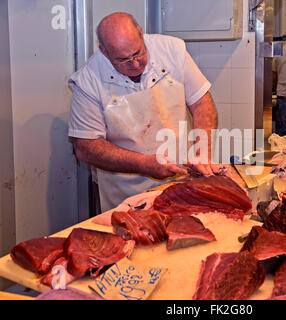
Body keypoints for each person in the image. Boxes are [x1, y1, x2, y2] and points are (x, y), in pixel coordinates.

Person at [68, 12, 219, 212]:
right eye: (123, 60)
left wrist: (203, 153)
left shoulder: (173, 50)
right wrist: (144, 164)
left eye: (138, 53)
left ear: (141, 33)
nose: (135, 64)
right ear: (103, 52)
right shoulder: (88, 80)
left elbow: (201, 103)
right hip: (125, 196)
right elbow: (86, 147)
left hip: (181, 182)